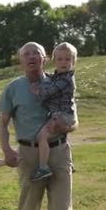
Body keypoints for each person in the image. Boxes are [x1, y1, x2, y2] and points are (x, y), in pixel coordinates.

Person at [0, 42, 77, 210]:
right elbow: (2, 123)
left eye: (36, 53)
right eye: (26, 54)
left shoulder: (59, 82)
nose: (31, 57)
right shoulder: (13, 88)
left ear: (46, 59)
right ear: (21, 61)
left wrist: (66, 126)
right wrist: (7, 149)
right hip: (29, 155)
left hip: (60, 152)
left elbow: (74, 119)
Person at [29, 42, 78, 181]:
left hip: (62, 115)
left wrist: (37, 91)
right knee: (62, 138)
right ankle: (68, 162)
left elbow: (49, 93)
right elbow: (51, 78)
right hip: (62, 113)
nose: (64, 62)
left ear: (73, 61)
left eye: (68, 59)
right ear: (54, 61)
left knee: (42, 137)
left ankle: (43, 167)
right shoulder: (59, 76)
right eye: (60, 59)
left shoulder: (66, 80)